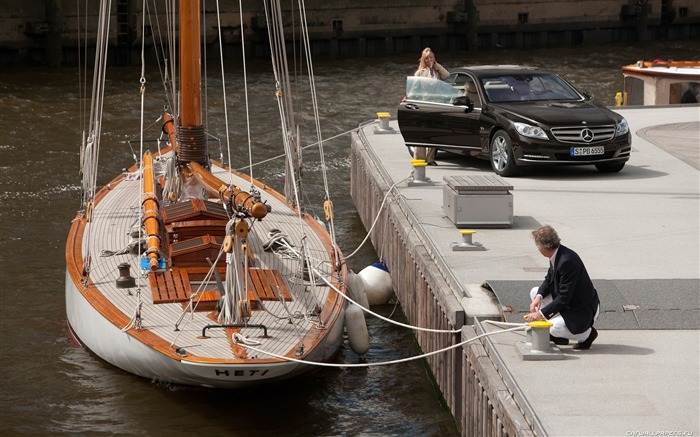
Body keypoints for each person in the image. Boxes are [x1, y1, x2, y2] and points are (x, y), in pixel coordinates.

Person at [524, 225, 600, 350]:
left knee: (554, 327)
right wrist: (539, 296)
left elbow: (564, 297)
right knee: (535, 292)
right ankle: (560, 337)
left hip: (580, 308)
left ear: (542, 248)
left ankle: (587, 335)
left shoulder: (567, 261)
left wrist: (541, 314)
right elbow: (549, 279)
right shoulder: (556, 254)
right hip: (569, 300)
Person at [414, 48, 449, 165]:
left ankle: (430, 159)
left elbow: (447, 75)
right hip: (425, 105)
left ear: (434, 58)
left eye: (431, 57)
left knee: (434, 132)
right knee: (422, 132)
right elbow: (414, 90)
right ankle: (420, 159)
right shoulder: (420, 73)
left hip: (437, 104)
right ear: (423, 59)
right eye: (427, 58)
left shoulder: (438, 71)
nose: (429, 60)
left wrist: (436, 65)